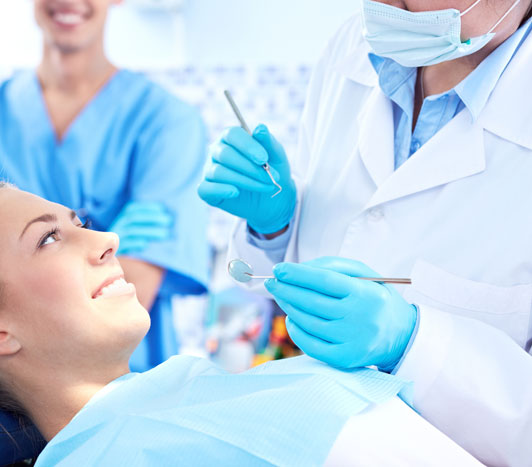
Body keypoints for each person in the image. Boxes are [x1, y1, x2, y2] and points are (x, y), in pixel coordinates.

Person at [0, 180, 481, 466]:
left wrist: (269, 238)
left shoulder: (175, 393)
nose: (107, 240)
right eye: (47, 239)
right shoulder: (113, 456)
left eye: (78, 220)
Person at [198, 1, 532, 465]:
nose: (390, 8)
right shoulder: (351, 50)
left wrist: (414, 341)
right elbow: (332, 247)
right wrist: (273, 228)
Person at [0, 0, 209, 372]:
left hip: (128, 382)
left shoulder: (167, 123)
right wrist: (103, 268)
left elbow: (127, 301)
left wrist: (20, 281)